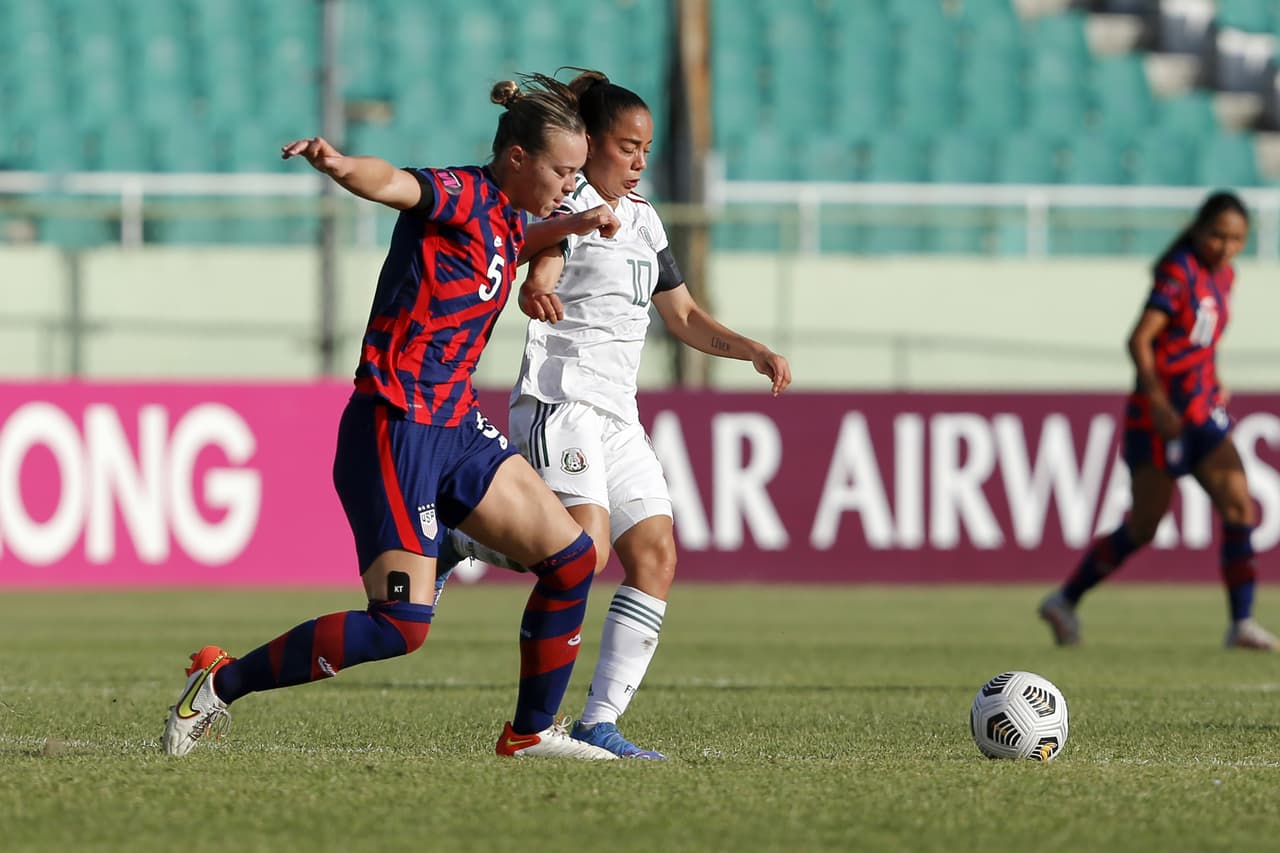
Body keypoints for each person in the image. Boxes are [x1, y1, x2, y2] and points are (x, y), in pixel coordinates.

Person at [163, 73, 633, 760]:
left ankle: (530, 733)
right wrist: (339, 165)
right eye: (563, 172)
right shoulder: (461, 193)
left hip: (456, 426)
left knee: (571, 560)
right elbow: (394, 184)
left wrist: (571, 226)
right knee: (400, 628)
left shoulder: (509, 216)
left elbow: (512, 244)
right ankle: (218, 684)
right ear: (517, 159)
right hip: (396, 425)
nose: (571, 185)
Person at [439, 70, 792, 758]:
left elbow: (682, 316)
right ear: (590, 143)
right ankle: (464, 540)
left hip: (617, 416)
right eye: (627, 147)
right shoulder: (568, 207)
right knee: (585, 553)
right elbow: (541, 264)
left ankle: (599, 721)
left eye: (645, 149)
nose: (638, 161)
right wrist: (536, 290)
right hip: (562, 400)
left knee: (656, 554)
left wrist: (749, 349)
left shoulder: (645, 219)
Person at [1039, 190, 1276, 651]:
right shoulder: (1178, 271)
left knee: (1239, 507)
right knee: (1144, 525)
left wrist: (1215, 378)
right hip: (1159, 416)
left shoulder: (1225, 276)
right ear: (1198, 230)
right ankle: (1064, 600)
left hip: (1201, 410)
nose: (1225, 247)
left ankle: (1241, 622)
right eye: (1217, 236)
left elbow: (1200, 341)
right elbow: (1139, 339)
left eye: (1236, 239)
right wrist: (1157, 400)